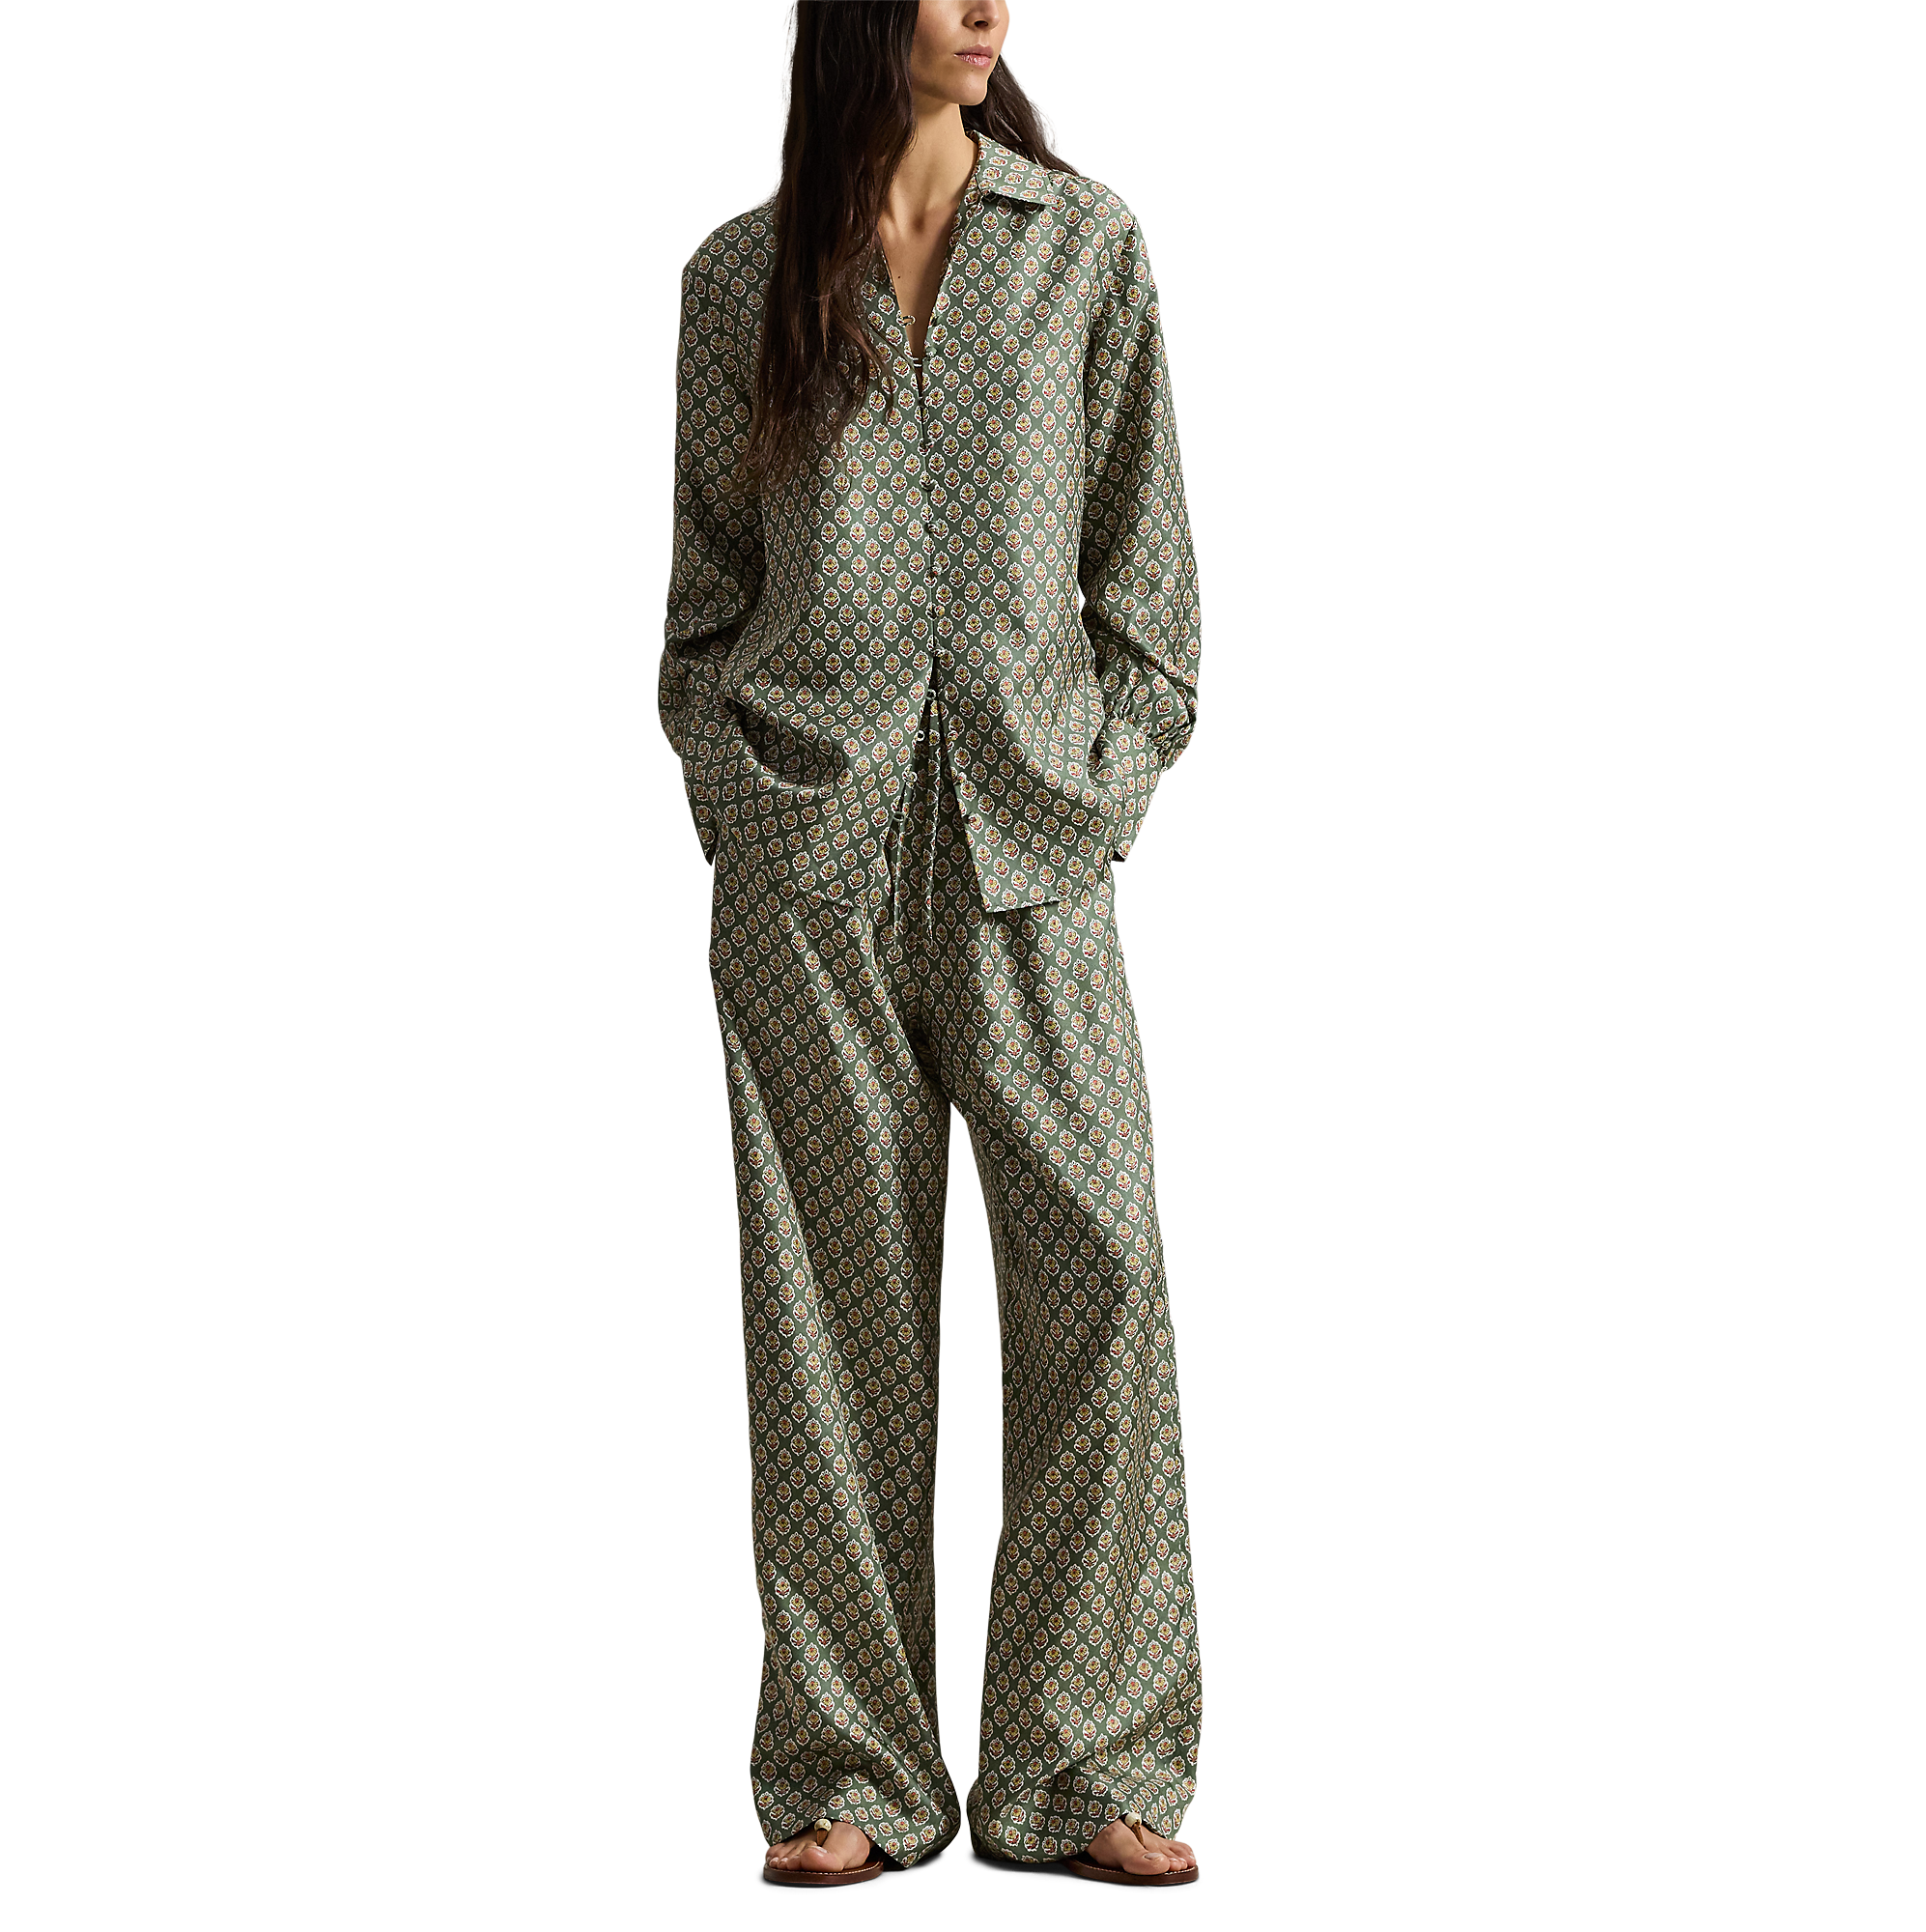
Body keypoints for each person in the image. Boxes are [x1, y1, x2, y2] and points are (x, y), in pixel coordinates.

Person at [658, 0, 1205, 1895]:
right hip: (807, 864)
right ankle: (853, 1770)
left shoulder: (1087, 249)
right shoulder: (742, 283)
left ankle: (1079, 1764)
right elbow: (702, 607)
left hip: (1030, 846)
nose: (984, 8)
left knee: (1101, 1273)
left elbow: (1151, 596)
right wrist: (745, 794)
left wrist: (1094, 785)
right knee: (829, 1319)